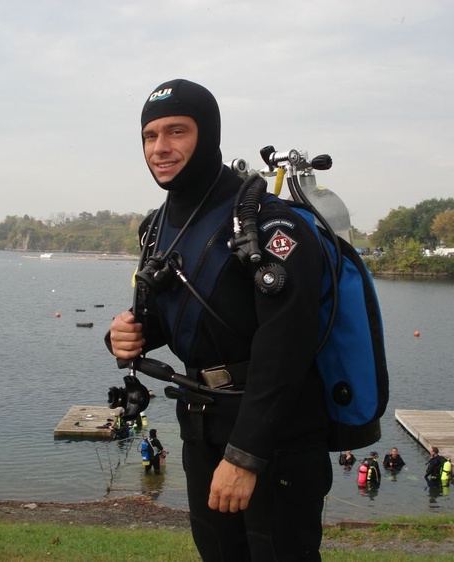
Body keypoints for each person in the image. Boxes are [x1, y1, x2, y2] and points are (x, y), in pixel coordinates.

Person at [108, 78, 332, 561]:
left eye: (176, 132)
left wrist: (245, 457)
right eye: (150, 136)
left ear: (208, 136)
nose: (160, 148)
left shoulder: (269, 223)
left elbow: (287, 345)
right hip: (201, 429)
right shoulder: (158, 225)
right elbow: (180, 321)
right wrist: (125, 336)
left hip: (276, 438)